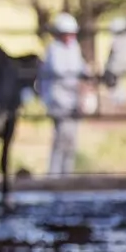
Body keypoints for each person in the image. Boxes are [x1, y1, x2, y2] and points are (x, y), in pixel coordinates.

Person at [36, 12, 88, 176]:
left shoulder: (74, 48)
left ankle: (67, 173)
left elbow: (81, 68)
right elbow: (61, 74)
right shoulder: (54, 50)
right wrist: (79, 84)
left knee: (72, 139)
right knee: (62, 138)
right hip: (59, 100)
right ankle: (55, 174)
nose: (70, 37)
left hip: (73, 100)